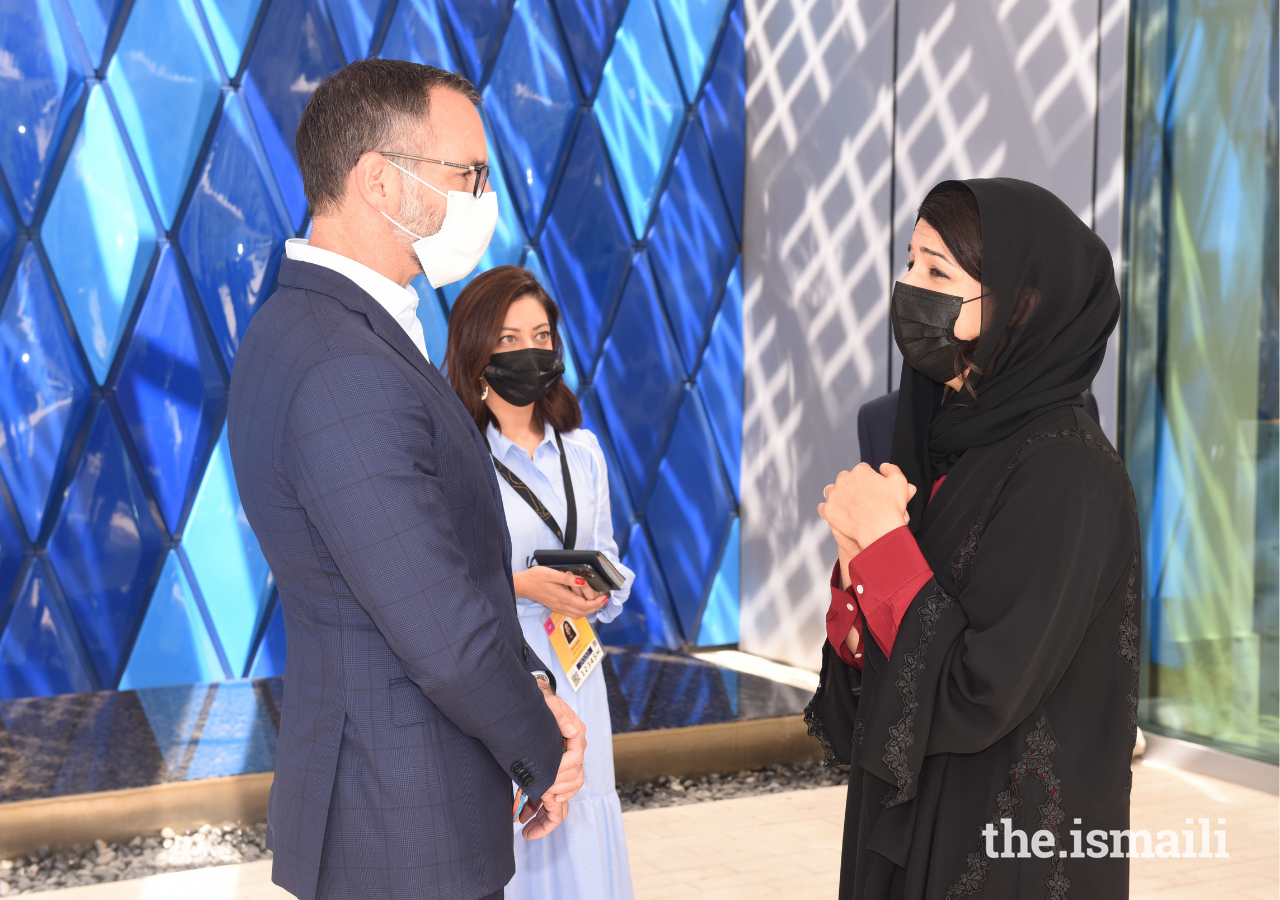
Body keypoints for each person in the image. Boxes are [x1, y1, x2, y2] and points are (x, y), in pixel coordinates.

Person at [226, 60, 586, 900]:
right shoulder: (338, 361)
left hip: (385, 805)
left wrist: (530, 681)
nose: (482, 199)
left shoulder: (320, 326)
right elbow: (440, 628)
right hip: (399, 825)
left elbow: (428, 575)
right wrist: (543, 745)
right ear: (378, 180)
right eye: (468, 175)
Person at [806, 178, 1141, 899]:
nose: (907, 286)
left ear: (1021, 304)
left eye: (937, 272)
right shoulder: (940, 445)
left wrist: (885, 548)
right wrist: (856, 561)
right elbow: (863, 707)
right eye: (909, 261)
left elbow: (978, 690)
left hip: (1008, 852)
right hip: (916, 828)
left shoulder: (1066, 470)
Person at [444, 265, 636, 900]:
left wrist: (602, 589)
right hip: (504, 668)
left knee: (586, 816)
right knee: (524, 826)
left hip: (579, 665)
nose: (529, 351)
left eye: (541, 335)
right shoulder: (460, 458)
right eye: (507, 339)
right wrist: (524, 587)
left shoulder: (582, 450)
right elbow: (443, 585)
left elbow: (605, 550)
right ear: (475, 350)